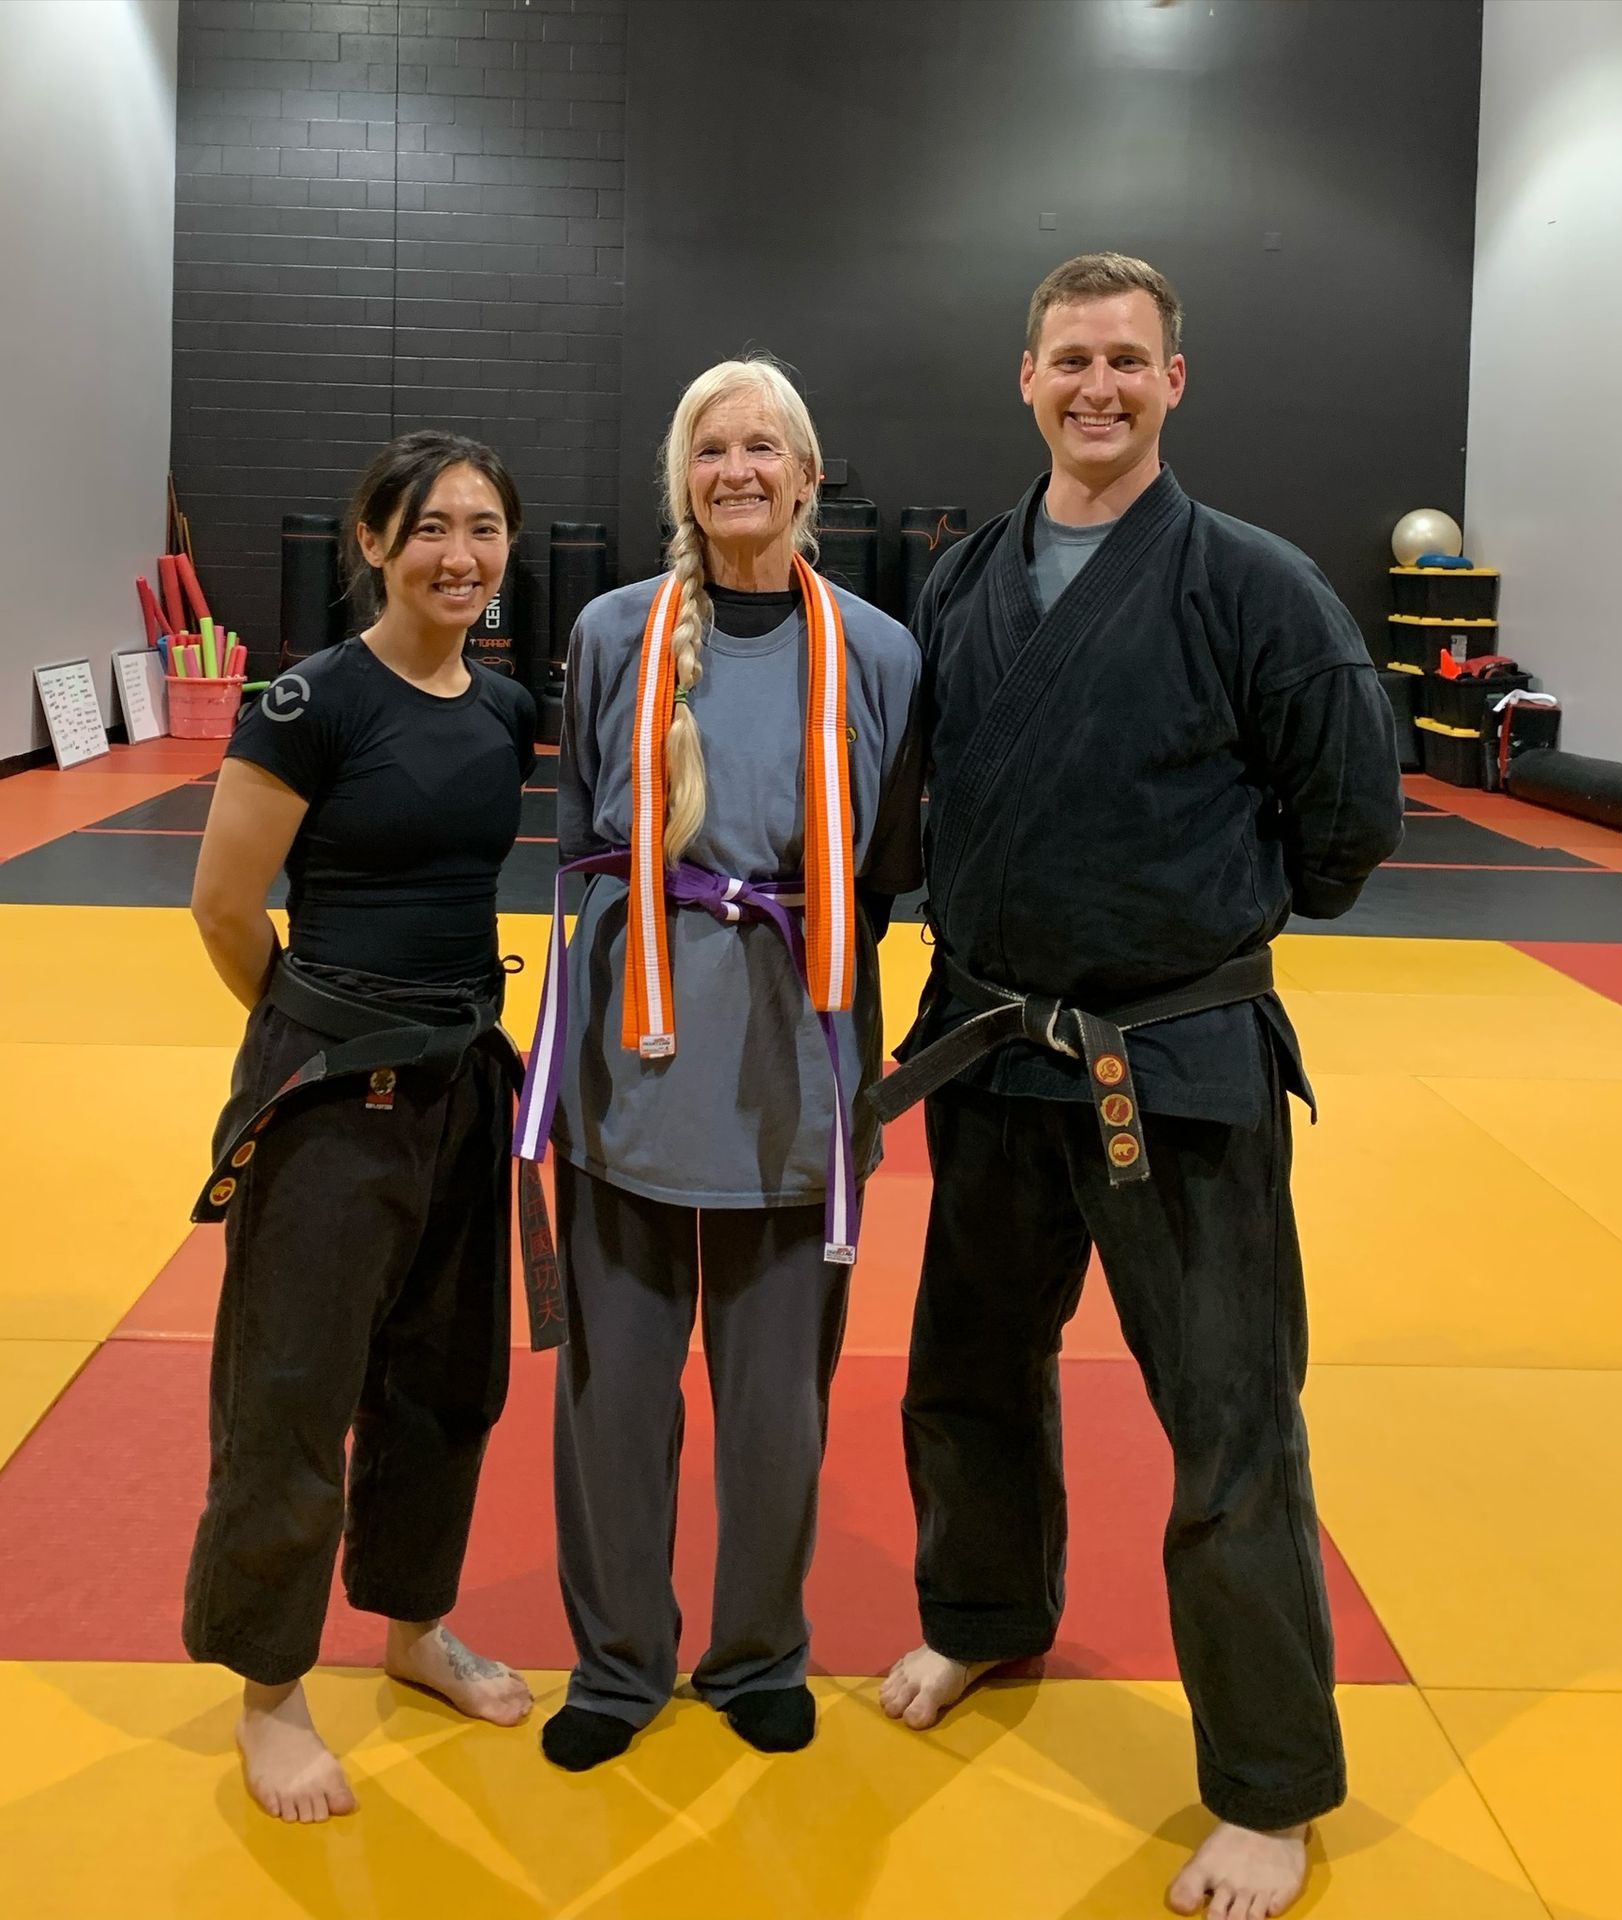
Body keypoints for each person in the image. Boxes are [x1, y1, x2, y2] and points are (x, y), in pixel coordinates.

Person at [873, 253, 1402, 1917]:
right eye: (1068, 360)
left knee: (1229, 1425)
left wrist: (1187, 933)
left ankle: (1267, 1787)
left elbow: (1348, 828)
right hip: (991, 1055)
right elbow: (916, 808)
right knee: (967, 1369)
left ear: (1178, 381)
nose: (1095, 386)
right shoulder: (964, 582)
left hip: (1177, 1068)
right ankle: (984, 1618)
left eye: (1127, 361)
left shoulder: (1256, 585)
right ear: (1020, 377)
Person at [514, 356, 922, 1770]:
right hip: (637, 1049)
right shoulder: (615, 632)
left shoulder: (876, 649)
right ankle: (619, 1665)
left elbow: (886, 866)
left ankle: (759, 1653)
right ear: (683, 480)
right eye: (711, 450)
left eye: (764, 448)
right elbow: (581, 837)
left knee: (775, 1402)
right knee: (615, 1394)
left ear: (811, 476)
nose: (738, 471)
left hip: (793, 1057)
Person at [182, 430, 540, 1824]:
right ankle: (269, 1694)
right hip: (333, 1096)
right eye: (431, 528)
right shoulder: (306, 702)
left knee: (444, 1382)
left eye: (485, 529)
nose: (461, 555)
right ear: (375, 545)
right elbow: (223, 908)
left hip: (463, 1087)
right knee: (291, 1393)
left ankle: (412, 1626)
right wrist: (319, 1033)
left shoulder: (504, 710)